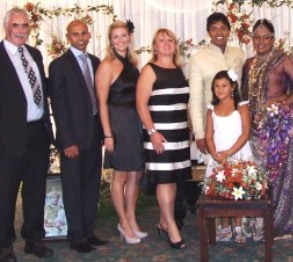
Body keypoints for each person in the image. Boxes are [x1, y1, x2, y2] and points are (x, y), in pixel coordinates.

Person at [242, 19, 293, 241]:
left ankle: (281, 224)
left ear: (273, 39)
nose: (261, 41)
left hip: (277, 128)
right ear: (252, 40)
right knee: (257, 176)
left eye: (266, 37)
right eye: (257, 37)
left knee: (279, 177)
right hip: (253, 128)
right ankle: (258, 223)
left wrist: (285, 102)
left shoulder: (283, 60)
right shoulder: (248, 63)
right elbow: (243, 97)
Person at [49, 20, 108, 253]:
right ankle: (76, 235)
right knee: (73, 186)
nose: (81, 38)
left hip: (94, 134)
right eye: (76, 34)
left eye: (84, 33)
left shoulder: (95, 62)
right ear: (68, 36)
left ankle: (88, 230)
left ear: (89, 34)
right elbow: (59, 106)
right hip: (73, 138)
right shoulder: (59, 66)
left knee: (92, 184)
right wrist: (66, 141)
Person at [0, 7, 54, 261]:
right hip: (8, 138)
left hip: (37, 134)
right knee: (5, 193)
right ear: (6, 27)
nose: (20, 31)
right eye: (16, 26)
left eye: (24, 26)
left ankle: (34, 239)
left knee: (35, 190)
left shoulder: (34, 54)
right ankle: (4, 245)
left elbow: (41, 89)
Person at [136, 28, 191, 249]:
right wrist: (152, 132)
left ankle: (163, 220)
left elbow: (182, 102)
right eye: (162, 40)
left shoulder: (178, 70)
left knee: (174, 178)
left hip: (179, 134)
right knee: (164, 180)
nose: (167, 43)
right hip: (159, 134)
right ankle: (171, 226)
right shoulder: (149, 70)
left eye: (170, 40)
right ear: (155, 46)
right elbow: (141, 104)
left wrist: (190, 124)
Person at [95, 20, 145, 244]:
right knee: (121, 175)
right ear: (110, 40)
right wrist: (107, 134)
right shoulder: (106, 65)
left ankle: (132, 219)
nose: (120, 40)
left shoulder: (133, 62)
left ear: (129, 37)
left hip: (134, 122)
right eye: (115, 36)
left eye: (123, 35)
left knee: (136, 173)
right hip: (118, 123)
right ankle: (123, 223)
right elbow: (102, 103)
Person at [205, 70, 253, 243]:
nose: (220, 89)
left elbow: (246, 133)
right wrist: (216, 155)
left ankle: (239, 228)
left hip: (237, 154)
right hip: (219, 157)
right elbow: (209, 135)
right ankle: (225, 227)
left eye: (224, 85)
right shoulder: (211, 110)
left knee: (237, 193)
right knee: (222, 193)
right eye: (216, 86)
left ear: (232, 87)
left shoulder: (241, 106)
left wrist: (230, 153)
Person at [189, 12, 245, 156]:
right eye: (214, 28)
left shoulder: (239, 54)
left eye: (223, 28)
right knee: (217, 173)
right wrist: (199, 134)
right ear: (209, 32)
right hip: (213, 128)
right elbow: (195, 100)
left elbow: (242, 90)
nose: (219, 32)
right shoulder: (198, 59)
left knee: (241, 170)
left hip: (237, 125)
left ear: (228, 31)